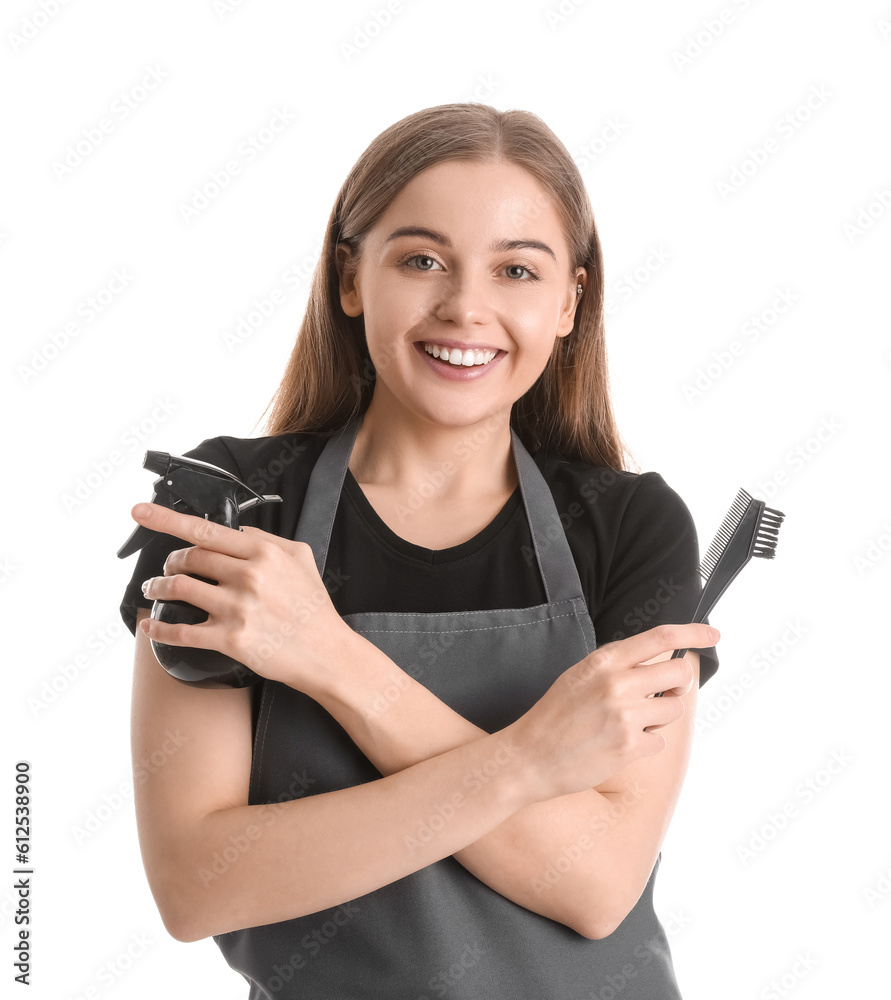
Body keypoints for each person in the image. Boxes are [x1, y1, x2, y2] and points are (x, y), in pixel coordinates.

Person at [119, 102, 720, 999]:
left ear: (568, 303)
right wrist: (525, 764)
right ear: (350, 278)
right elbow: (200, 884)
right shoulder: (235, 508)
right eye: (421, 259)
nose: (465, 308)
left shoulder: (628, 525)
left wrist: (328, 660)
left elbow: (595, 886)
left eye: (516, 270)